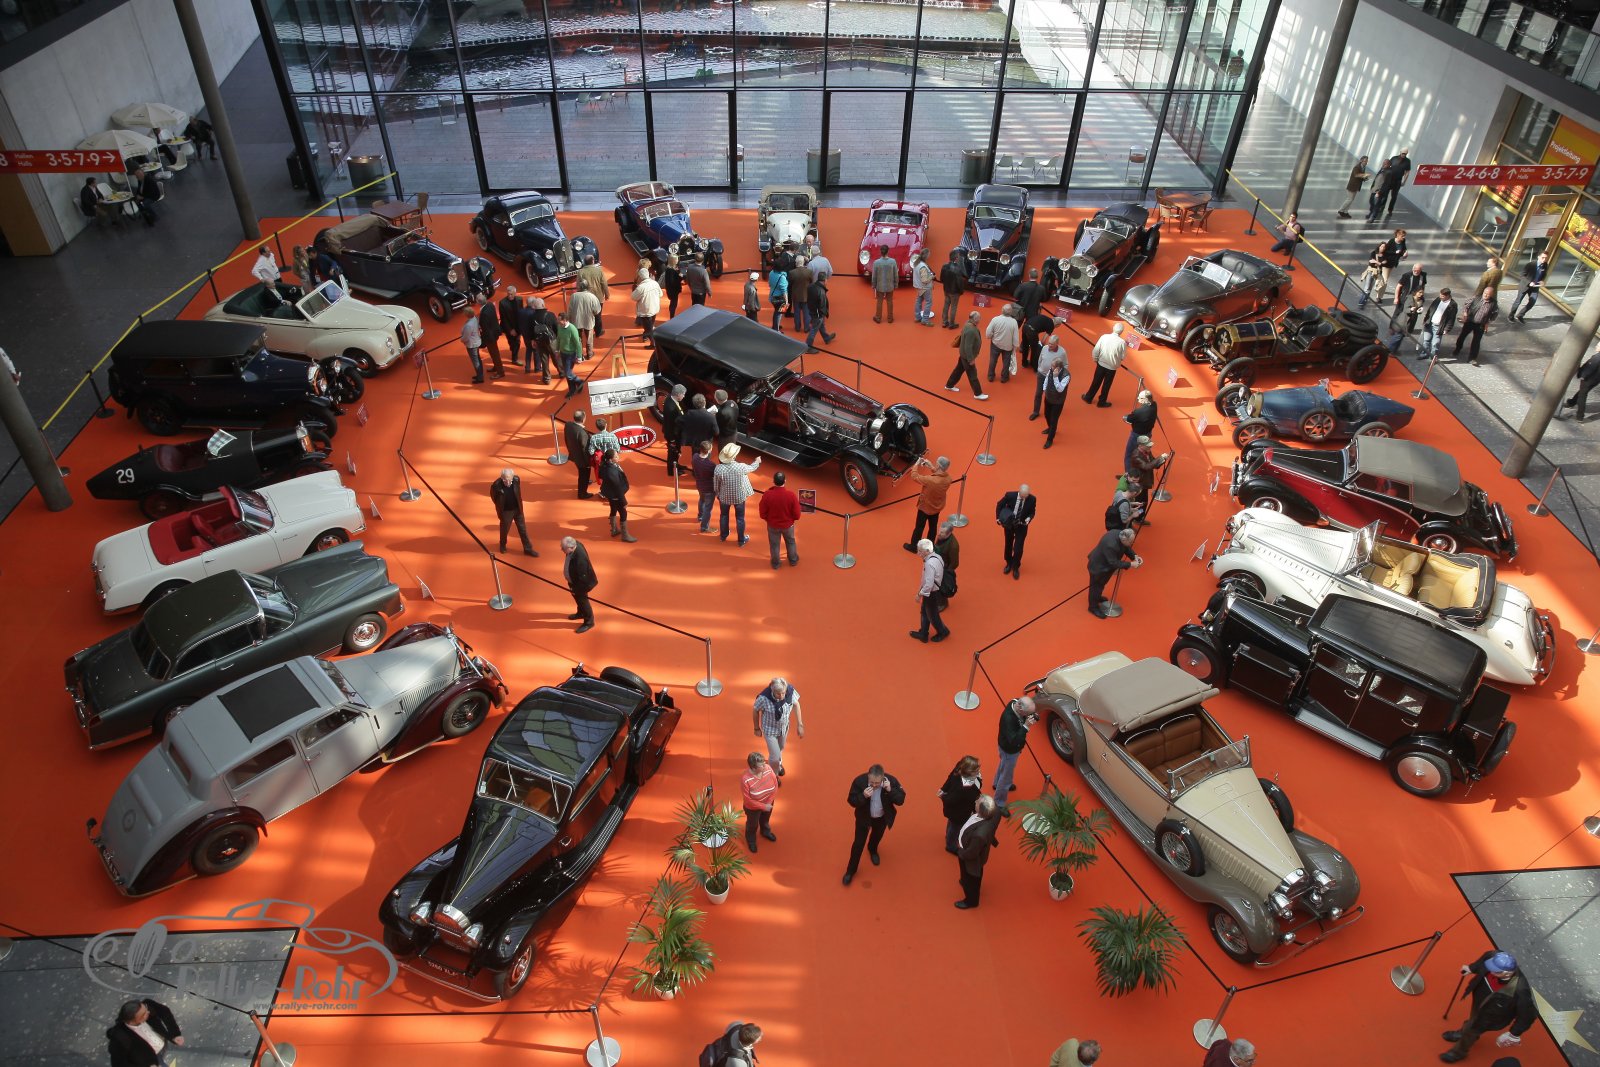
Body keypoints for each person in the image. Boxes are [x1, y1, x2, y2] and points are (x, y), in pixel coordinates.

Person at [1440, 950, 1537, 1062]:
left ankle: (1458, 1052)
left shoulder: (1520, 990)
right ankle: (1463, 1032)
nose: (1490, 971)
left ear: (1506, 973)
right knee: (1473, 1018)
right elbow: (1484, 959)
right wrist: (1472, 968)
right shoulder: (1494, 956)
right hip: (1481, 1000)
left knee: (1472, 1029)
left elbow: (1528, 1014)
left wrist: (1514, 1033)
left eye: (1495, 970)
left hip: (1491, 1014)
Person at [842, 763, 906, 885]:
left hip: (881, 818)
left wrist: (890, 790)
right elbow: (851, 800)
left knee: (876, 837)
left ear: (882, 777)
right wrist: (863, 796)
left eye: (877, 783)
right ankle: (850, 871)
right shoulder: (859, 781)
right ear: (868, 776)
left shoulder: (891, 781)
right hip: (864, 818)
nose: (875, 785)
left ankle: (872, 850)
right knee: (858, 845)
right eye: (872, 782)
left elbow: (901, 800)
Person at [954, 793, 1003, 909]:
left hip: (969, 857)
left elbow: (971, 853)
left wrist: (961, 852)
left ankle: (971, 901)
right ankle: (965, 882)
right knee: (972, 874)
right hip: (976, 851)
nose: (975, 802)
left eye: (977, 803)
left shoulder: (979, 835)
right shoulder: (995, 812)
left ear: (981, 810)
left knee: (971, 877)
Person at [107, 998, 184, 1067]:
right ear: (132, 1021)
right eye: (143, 1015)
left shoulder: (147, 1006)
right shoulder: (120, 1038)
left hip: (162, 1043)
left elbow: (165, 1012)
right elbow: (119, 1064)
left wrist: (175, 1034)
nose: (148, 1012)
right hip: (152, 1057)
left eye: (146, 1009)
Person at [752, 675, 804, 775]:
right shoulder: (763, 698)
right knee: (775, 756)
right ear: (772, 690)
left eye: (783, 693)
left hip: (783, 728)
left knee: (780, 748)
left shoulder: (790, 691)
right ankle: (774, 775)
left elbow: (796, 704)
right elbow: (755, 710)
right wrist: (756, 728)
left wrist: (800, 724)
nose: (781, 696)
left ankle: (778, 765)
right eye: (778, 694)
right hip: (769, 730)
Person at [1088, 527, 1142, 618]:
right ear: (1124, 539)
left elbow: (1126, 547)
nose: (1132, 543)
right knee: (1096, 587)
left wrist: (1134, 556)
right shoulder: (1111, 545)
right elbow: (1113, 563)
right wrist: (1131, 564)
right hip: (1098, 567)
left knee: (1101, 584)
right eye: (1131, 542)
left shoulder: (1120, 534)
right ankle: (1093, 607)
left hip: (1105, 566)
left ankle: (1097, 597)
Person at [714, 443, 760, 546]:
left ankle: (723, 535)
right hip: (739, 497)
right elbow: (752, 467)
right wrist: (757, 461)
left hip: (724, 497)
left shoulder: (718, 468)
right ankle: (741, 540)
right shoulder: (741, 467)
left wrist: (718, 494)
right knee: (740, 518)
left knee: (724, 515)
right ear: (734, 455)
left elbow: (716, 485)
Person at [994, 694, 1036, 806]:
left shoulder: (1016, 702)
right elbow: (1014, 741)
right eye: (1028, 714)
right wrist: (1026, 726)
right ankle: (999, 802)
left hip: (1007, 748)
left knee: (1003, 765)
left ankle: (996, 783)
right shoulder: (1008, 719)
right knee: (1006, 777)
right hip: (1009, 750)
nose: (1029, 716)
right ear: (1020, 709)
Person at [904, 455, 952, 550]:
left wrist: (916, 464)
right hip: (937, 506)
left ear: (938, 465)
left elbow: (914, 476)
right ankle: (930, 545)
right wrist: (931, 467)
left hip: (925, 507)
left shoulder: (930, 480)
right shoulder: (948, 479)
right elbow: (939, 475)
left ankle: (913, 546)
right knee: (933, 527)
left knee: (919, 527)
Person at [938, 755, 983, 854]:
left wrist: (943, 790)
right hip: (959, 813)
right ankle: (950, 846)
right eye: (976, 771)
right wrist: (943, 796)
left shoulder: (959, 768)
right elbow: (950, 800)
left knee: (952, 824)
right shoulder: (964, 789)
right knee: (955, 827)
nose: (978, 772)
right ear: (969, 772)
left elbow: (950, 778)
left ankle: (948, 836)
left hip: (956, 810)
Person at [489, 467, 537, 556]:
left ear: (512, 477)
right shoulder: (496, 486)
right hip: (506, 512)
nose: (508, 482)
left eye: (509, 480)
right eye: (505, 480)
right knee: (504, 530)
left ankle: (528, 548)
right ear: (501, 478)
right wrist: (501, 507)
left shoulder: (516, 480)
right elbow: (494, 497)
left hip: (518, 509)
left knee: (523, 530)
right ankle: (502, 545)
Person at [909, 538, 949, 643]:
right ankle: (923, 633)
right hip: (934, 590)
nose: (918, 553)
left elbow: (928, 584)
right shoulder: (937, 557)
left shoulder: (929, 564)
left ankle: (943, 631)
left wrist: (919, 594)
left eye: (920, 551)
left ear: (927, 551)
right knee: (925, 612)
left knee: (932, 615)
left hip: (931, 593)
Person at [759, 470, 801, 568]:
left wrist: (768, 519)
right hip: (788, 525)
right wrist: (791, 520)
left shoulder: (767, 495)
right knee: (790, 542)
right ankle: (793, 560)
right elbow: (797, 515)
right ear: (785, 481)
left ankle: (775, 563)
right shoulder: (791, 495)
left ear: (773, 481)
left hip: (773, 525)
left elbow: (762, 513)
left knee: (774, 545)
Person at [740, 752, 779, 852]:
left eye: (764, 763)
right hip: (753, 808)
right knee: (752, 825)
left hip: (768, 803)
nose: (764, 766)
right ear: (753, 768)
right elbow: (748, 800)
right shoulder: (746, 779)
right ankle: (751, 840)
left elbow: (775, 785)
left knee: (765, 819)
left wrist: (769, 802)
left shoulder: (768, 769)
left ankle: (765, 831)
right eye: (761, 765)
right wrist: (763, 806)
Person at [995, 484, 1036, 578]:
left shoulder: (1032, 499)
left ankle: (1016, 566)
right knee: (1008, 544)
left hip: (1021, 526)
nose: (1024, 498)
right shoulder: (1010, 495)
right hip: (1009, 525)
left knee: (1018, 548)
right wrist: (998, 518)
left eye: (1026, 496)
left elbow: (1032, 512)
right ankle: (1008, 563)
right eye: (1022, 496)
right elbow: (999, 504)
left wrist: (1029, 518)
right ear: (1019, 492)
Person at [944, 310, 988, 399]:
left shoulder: (967, 324)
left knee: (958, 370)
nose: (980, 319)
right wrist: (971, 359)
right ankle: (978, 393)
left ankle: (949, 385)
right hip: (967, 357)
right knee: (972, 375)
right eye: (979, 318)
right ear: (975, 319)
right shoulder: (971, 330)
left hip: (963, 354)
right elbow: (968, 346)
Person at [1083, 324, 1128, 407]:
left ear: (1113, 328)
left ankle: (1088, 397)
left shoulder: (1104, 337)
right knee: (1107, 385)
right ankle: (1102, 402)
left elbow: (1096, 350)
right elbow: (1123, 357)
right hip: (1112, 367)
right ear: (1121, 332)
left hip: (1101, 363)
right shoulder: (1122, 342)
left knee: (1096, 381)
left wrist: (1095, 359)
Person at [598, 449, 636, 543]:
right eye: (616, 456)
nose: (618, 457)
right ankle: (625, 535)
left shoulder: (605, 465)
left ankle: (614, 529)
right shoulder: (612, 471)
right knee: (623, 513)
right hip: (615, 494)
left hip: (610, 493)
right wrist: (624, 502)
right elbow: (617, 487)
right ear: (610, 459)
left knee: (613, 509)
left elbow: (601, 476)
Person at [1455, 286, 1499, 367]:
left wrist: (1488, 321)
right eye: (1485, 293)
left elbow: (1495, 313)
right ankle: (1457, 349)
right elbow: (1466, 304)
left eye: (1488, 294)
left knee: (1476, 342)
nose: (1485, 295)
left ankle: (1472, 358)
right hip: (1470, 322)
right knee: (1462, 336)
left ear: (1491, 295)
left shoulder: (1493, 303)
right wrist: (1465, 313)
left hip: (1480, 324)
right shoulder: (1476, 298)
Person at [561, 536, 597, 633]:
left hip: (580, 584)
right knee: (578, 599)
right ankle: (581, 613)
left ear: (571, 547)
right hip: (574, 581)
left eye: (563, 548)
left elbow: (583, 578)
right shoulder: (574, 545)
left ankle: (589, 622)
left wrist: (576, 589)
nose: (562, 550)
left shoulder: (581, 559)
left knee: (583, 601)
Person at [1031, 332, 1068, 419]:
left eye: (1052, 344)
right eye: (1049, 343)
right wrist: (1039, 369)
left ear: (1057, 344)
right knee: (1038, 393)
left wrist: (1059, 375)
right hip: (1042, 374)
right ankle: (1035, 412)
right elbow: (1040, 359)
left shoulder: (1062, 352)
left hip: (1053, 377)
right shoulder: (1044, 348)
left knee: (1051, 395)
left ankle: (1051, 412)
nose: (1049, 345)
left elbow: (1065, 365)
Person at [1507, 251, 1550, 323]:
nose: (1544, 259)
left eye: (1546, 258)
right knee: (1518, 301)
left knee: (1532, 301)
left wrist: (1542, 280)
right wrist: (1529, 282)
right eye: (1543, 257)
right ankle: (1511, 316)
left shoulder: (1545, 265)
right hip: (1525, 285)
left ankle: (1520, 315)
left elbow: (1544, 274)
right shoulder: (1530, 265)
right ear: (1538, 257)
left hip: (1535, 287)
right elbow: (1522, 275)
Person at [1040, 354, 1071, 449]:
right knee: (1046, 414)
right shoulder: (1051, 370)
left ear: (1058, 367)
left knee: (1054, 420)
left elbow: (1060, 389)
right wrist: (1044, 389)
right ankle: (1051, 428)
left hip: (1058, 401)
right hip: (1048, 397)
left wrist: (1055, 377)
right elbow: (1046, 379)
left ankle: (1050, 439)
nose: (1051, 367)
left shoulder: (1066, 375)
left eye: (1053, 366)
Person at [1357, 240, 1399, 307]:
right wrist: (1379, 263)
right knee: (1367, 288)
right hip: (1371, 271)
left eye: (1384, 247)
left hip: (1378, 272)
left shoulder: (1385, 255)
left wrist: (1376, 262)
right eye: (1382, 246)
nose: (1383, 248)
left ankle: (1367, 300)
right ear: (1379, 246)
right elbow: (1371, 262)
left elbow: (1384, 263)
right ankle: (1361, 302)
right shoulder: (1374, 253)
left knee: (1375, 286)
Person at [985, 303, 1020, 384]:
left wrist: (990, 336)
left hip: (996, 343)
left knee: (993, 360)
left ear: (1002, 310)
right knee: (1006, 362)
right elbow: (1015, 336)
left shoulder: (995, 319)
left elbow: (988, 332)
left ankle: (990, 376)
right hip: (1008, 346)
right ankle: (1004, 377)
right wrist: (1015, 346)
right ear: (1011, 312)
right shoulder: (1014, 322)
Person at [1123, 389, 1158, 469]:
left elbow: (1129, 419)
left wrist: (1124, 417)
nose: (1138, 399)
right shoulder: (1154, 405)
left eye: (1140, 398)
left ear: (1146, 399)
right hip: (1148, 434)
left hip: (1137, 436)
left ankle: (1129, 474)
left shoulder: (1139, 412)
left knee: (1129, 455)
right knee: (1143, 454)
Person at [1420, 288, 1458, 361]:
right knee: (1426, 340)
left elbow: (1451, 318)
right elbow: (1431, 309)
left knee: (1435, 344)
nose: (1440, 297)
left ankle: (1432, 358)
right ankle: (1424, 353)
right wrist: (1425, 319)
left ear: (1447, 296)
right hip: (1430, 323)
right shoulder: (1438, 299)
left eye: (1442, 296)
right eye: (1440, 295)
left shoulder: (1452, 305)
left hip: (1438, 326)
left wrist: (1447, 329)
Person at [1561, 349, 1600, 420]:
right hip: (1596, 380)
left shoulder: (1598, 357)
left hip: (1589, 379)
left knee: (1582, 396)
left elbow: (1590, 368)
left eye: (1598, 345)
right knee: (1582, 391)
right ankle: (1571, 402)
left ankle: (1580, 416)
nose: (1596, 346)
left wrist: (1583, 376)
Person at [577, 255, 610, 338]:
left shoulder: (581, 272)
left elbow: (578, 286)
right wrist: (607, 294)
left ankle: (589, 331)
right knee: (598, 315)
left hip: (586, 297)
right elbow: (604, 284)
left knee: (587, 315)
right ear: (593, 261)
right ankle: (598, 331)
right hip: (598, 297)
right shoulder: (599, 270)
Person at [569, 279, 602, 360]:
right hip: (588, 320)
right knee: (589, 338)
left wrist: (570, 320)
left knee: (578, 338)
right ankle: (589, 354)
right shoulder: (592, 296)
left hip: (576, 320)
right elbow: (597, 310)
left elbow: (570, 310)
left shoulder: (574, 296)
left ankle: (579, 355)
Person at [564, 411, 593, 499]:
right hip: (582, 459)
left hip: (574, 454)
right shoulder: (582, 434)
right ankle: (582, 494)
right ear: (583, 419)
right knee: (584, 474)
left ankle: (586, 482)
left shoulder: (568, 425)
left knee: (582, 473)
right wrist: (588, 462)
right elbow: (585, 449)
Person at [805, 270, 836, 352]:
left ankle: (826, 338)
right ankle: (808, 347)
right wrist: (822, 314)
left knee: (821, 326)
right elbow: (822, 305)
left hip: (812, 310)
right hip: (818, 314)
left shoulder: (811, 286)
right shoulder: (821, 291)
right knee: (814, 329)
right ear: (824, 280)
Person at [691, 439, 718, 532]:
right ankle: (704, 527)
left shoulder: (695, 457)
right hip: (709, 489)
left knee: (701, 500)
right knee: (708, 508)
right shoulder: (711, 465)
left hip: (699, 485)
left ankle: (700, 516)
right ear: (709, 450)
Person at [515, 295, 543, 379]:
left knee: (528, 350)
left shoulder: (520, 311)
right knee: (536, 351)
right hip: (532, 335)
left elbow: (518, 323)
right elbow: (534, 326)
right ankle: (537, 368)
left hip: (525, 335)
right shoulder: (534, 313)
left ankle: (527, 368)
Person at [457, 301, 485, 383]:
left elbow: (466, 337)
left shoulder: (469, 325)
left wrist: (462, 340)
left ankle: (480, 378)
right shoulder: (475, 319)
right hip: (476, 342)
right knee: (477, 359)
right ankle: (480, 374)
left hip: (472, 345)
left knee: (475, 361)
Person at [662, 383, 686, 476]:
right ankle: (671, 471)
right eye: (683, 394)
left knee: (676, 451)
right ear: (678, 394)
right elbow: (669, 425)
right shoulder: (671, 408)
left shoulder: (671, 398)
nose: (684, 396)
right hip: (672, 435)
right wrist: (672, 439)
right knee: (673, 452)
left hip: (676, 433)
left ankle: (676, 465)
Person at [631, 268, 661, 344]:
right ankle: (646, 337)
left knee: (648, 329)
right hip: (655, 308)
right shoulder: (655, 283)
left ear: (640, 277)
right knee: (650, 326)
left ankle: (654, 344)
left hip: (645, 311)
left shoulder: (641, 287)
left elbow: (633, 297)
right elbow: (661, 294)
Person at [477, 294, 505, 378]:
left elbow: (485, 329)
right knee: (493, 353)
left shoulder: (484, 314)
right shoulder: (490, 304)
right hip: (494, 333)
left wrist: (483, 340)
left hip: (490, 337)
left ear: (478, 303)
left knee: (495, 354)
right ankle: (496, 367)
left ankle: (500, 372)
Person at [870, 244, 899, 323]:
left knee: (879, 301)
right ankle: (890, 318)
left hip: (880, 285)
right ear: (888, 251)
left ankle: (878, 317)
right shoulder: (893, 261)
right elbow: (896, 274)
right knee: (889, 301)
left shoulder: (876, 263)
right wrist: (896, 284)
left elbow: (874, 276)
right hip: (890, 285)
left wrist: (873, 285)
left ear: (880, 252)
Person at [939, 248, 966, 328]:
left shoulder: (944, 266)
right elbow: (960, 282)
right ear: (956, 258)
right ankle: (951, 323)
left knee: (946, 305)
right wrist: (961, 291)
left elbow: (941, 279)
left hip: (946, 290)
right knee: (953, 307)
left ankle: (944, 322)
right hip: (955, 292)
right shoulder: (958, 268)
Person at [499, 285, 523, 367]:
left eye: (511, 294)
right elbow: (503, 318)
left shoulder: (520, 300)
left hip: (518, 326)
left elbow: (521, 314)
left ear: (515, 293)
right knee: (511, 342)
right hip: (508, 327)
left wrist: (518, 327)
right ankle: (513, 350)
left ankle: (514, 359)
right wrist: (510, 330)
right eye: (508, 294)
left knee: (517, 342)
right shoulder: (502, 303)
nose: (509, 296)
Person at [788, 252, 812, 333]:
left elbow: (790, 283)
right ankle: (806, 327)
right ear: (803, 262)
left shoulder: (792, 272)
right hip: (806, 295)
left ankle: (797, 327)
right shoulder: (809, 272)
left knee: (796, 312)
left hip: (795, 295)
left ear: (796, 262)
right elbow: (811, 281)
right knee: (806, 312)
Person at [911, 250, 936, 325]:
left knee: (918, 301)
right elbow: (924, 280)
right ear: (927, 256)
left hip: (919, 287)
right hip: (925, 288)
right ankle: (925, 319)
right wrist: (932, 277)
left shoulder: (917, 263)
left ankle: (917, 317)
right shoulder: (923, 266)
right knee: (928, 302)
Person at [767, 263, 789, 332]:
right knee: (779, 314)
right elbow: (784, 291)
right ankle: (776, 330)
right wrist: (786, 301)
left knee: (776, 312)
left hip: (772, 296)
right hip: (780, 299)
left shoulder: (771, 273)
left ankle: (775, 326)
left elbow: (769, 284)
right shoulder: (782, 277)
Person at [660, 253, 684, 317]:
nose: (678, 260)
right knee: (674, 304)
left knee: (673, 303)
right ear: (673, 261)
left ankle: (672, 315)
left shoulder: (670, 269)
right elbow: (672, 281)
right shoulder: (671, 270)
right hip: (673, 290)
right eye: (676, 259)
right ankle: (672, 316)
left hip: (671, 289)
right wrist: (680, 277)